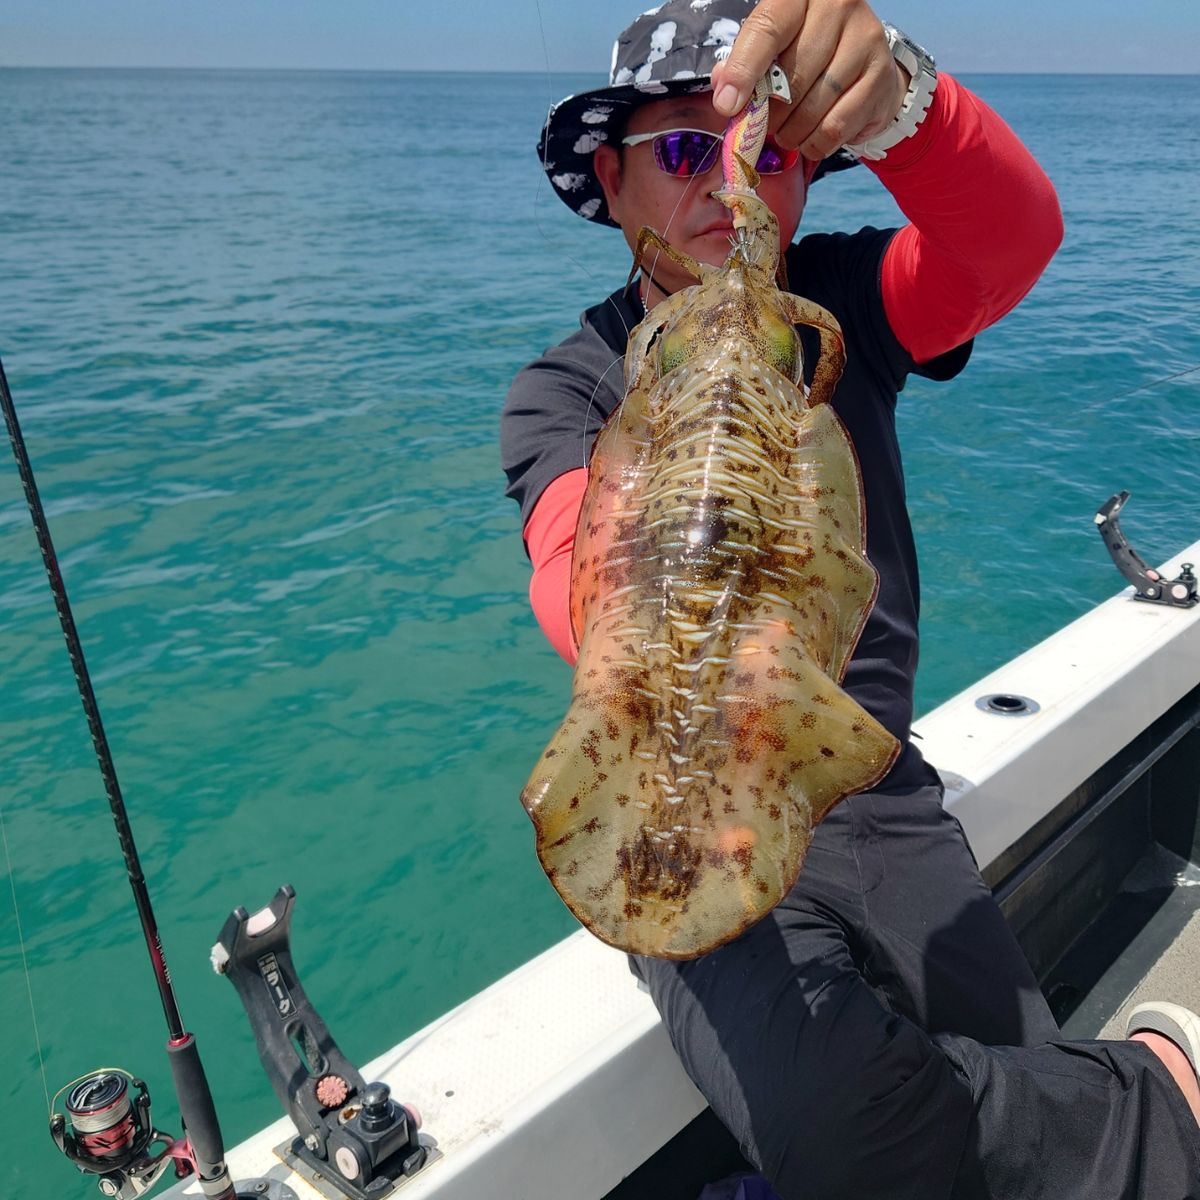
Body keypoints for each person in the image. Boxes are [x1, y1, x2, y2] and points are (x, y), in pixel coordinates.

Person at [501, 1, 1200, 1195]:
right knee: (849, 1127)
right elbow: (579, 582)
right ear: (611, 181)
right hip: (685, 792)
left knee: (1008, 1082)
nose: (732, 184)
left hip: (880, 786)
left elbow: (1005, 242)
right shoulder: (564, 391)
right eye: (685, 150)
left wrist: (905, 107)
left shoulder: (838, 314)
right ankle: (1166, 1093)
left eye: (771, 152)